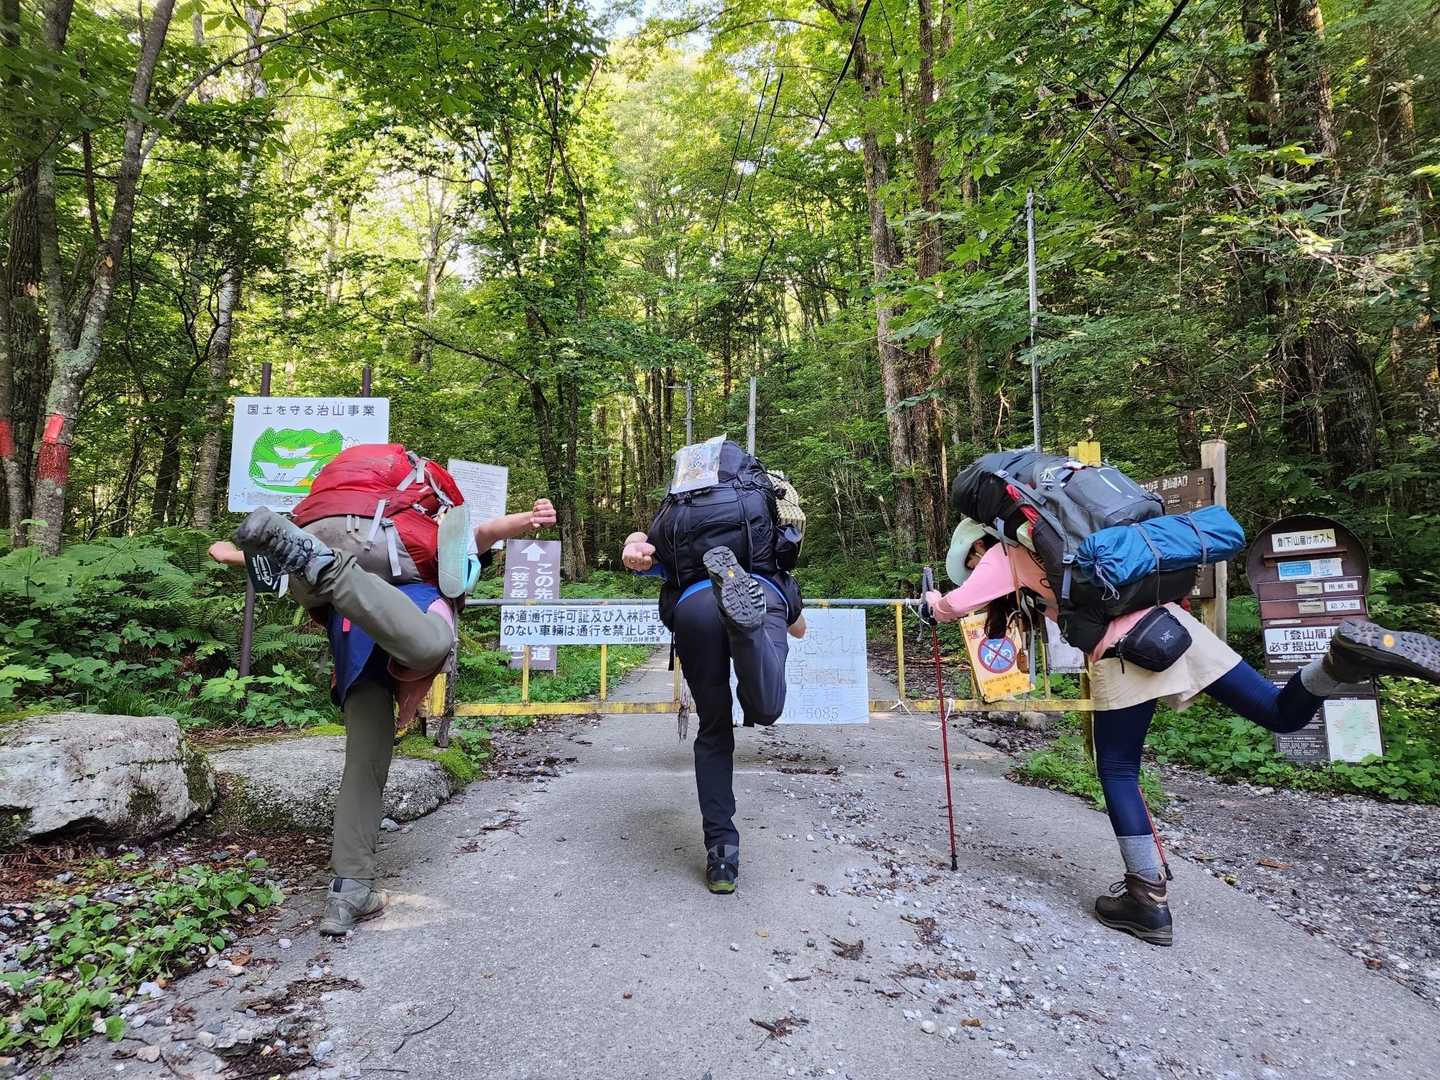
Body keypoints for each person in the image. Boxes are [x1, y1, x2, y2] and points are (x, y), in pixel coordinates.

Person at [923, 519, 1440, 947]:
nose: (974, 565)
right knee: (1280, 712)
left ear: (978, 544)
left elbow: (954, 606)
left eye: (970, 558)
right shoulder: (1074, 536)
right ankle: (1340, 660)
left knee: (1117, 769)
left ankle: (1146, 900)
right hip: (1174, 626)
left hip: (1126, 651)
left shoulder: (1005, 553)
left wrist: (932, 602)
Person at [210, 495, 555, 935]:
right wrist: (529, 518)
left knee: (366, 764)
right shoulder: (432, 534)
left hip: (351, 628)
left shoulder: (357, 536)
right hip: (405, 610)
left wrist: (232, 554)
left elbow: (262, 561)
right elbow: (484, 533)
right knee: (430, 644)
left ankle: (350, 889)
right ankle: (330, 570)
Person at [622, 446, 806, 894]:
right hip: (761, 591)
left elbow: (648, 554)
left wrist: (632, 544)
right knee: (766, 708)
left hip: (692, 608)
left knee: (714, 729)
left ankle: (722, 853)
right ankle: (747, 631)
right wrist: (787, 612)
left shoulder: (679, 516)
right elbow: (797, 616)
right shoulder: (767, 504)